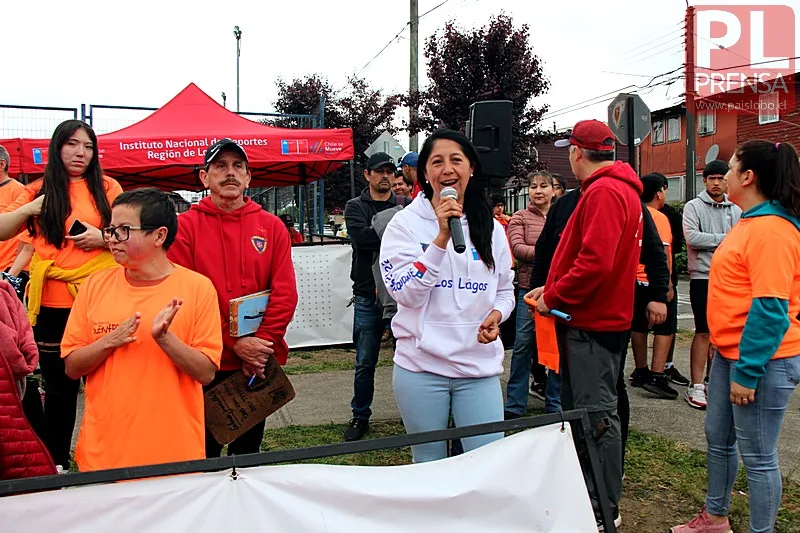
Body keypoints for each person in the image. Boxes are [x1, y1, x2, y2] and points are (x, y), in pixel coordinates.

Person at [671, 141, 800, 533]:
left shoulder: (772, 231)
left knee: (759, 456)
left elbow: (771, 308)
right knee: (718, 439)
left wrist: (748, 370)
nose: (722, 175)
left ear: (748, 177)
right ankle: (715, 516)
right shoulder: (749, 221)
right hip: (731, 353)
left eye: (730, 168)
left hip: (762, 361)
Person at [527, 119, 646, 529]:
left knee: (596, 418)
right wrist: (553, 291)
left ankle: (601, 509)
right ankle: (592, 498)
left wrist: (552, 297)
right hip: (593, 320)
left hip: (593, 325)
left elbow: (595, 262)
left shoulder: (606, 192)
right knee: (588, 414)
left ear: (577, 152)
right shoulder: (616, 189)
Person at [61, 188, 222, 472]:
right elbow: (72, 367)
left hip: (173, 455)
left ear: (159, 235)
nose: (111, 239)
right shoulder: (94, 285)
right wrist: (109, 341)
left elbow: (206, 372)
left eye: (124, 230)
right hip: (103, 456)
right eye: (110, 229)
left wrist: (164, 338)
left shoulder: (197, 288)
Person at [380, 129, 515, 463]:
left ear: (471, 169)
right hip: (421, 368)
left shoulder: (493, 228)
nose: (447, 169)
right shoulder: (405, 225)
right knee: (430, 466)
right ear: (425, 174)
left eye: (457, 160)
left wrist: (496, 315)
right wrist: (440, 239)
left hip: (477, 369)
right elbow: (405, 294)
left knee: (485, 465)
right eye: (436, 162)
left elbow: (504, 290)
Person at [0, 120, 122, 471]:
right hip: (53, 304)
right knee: (58, 390)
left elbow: (129, 233)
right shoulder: (38, 190)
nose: (80, 152)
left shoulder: (108, 187)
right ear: (57, 148)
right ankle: (57, 465)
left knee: (105, 383)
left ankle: (106, 459)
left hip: (101, 297)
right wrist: (28, 209)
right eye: (71, 144)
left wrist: (103, 237)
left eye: (87, 146)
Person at [168, 139, 298, 458]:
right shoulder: (184, 228)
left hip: (254, 362)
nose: (230, 173)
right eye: (221, 166)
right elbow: (184, 298)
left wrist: (261, 343)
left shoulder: (272, 227)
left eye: (238, 166)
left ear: (248, 177)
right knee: (203, 454)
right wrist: (231, 343)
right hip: (206, 361)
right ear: (204, 177)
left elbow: (285, 293)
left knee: (247, 455)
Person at [343, 152, 402, 441]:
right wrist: (395, 235)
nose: (385, 176)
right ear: (367, 175)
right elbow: (362, 240)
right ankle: (360, 415)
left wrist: (381, 232)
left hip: (401, 294)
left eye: (390, 171)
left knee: (408, 360)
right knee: (365, 362)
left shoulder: (406, 206)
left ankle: (412, 412)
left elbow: (412, 241)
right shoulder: (355, 206)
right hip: (367, 295)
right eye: (379, 171)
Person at [682, 159, 742, 410]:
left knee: (725, 334)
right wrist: (726, 239)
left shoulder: (737, 209)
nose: (717, 182)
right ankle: (696, 385)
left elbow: (743, 239)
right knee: (703, 331)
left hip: (731, 278)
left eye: (721, 178)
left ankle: (713, 381)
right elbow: (693, 237)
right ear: (704, 180)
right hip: (703, 277)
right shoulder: (693, 207)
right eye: (712, 178)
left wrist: (718, 241)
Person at [504, 170, 554, 418]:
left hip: (558, 291)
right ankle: (515, 404)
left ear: (554, 190)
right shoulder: (519, 218)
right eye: (533, 186)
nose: (538, 191)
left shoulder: (561, 215)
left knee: (556, 349)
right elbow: (518, 249)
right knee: (523, 346)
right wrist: (550, 253)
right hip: (528, 290)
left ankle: (555, 404)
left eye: (544, 186)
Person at [629, 173, 679, 399]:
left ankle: (640, 370)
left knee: (638, 325)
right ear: (659, 192)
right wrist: (666, 285)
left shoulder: (634, 211)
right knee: (665, 327)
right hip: (653, 280)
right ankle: (657, 375)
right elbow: (664, 253)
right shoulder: (658, 217)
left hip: (633, 279)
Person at [659, 177, 690, 387]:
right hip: (649, 278)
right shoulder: (642, 212)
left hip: (669, 276)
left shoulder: (672, 214)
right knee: (645, 326)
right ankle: (649, 370)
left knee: (670, 323)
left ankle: (667, 366)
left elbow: (678, 244)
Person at [0, 145, 26, 275]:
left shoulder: (21, 192)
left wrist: (13, 271)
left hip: (8, 269)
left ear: (1, 164)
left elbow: (27, 236)